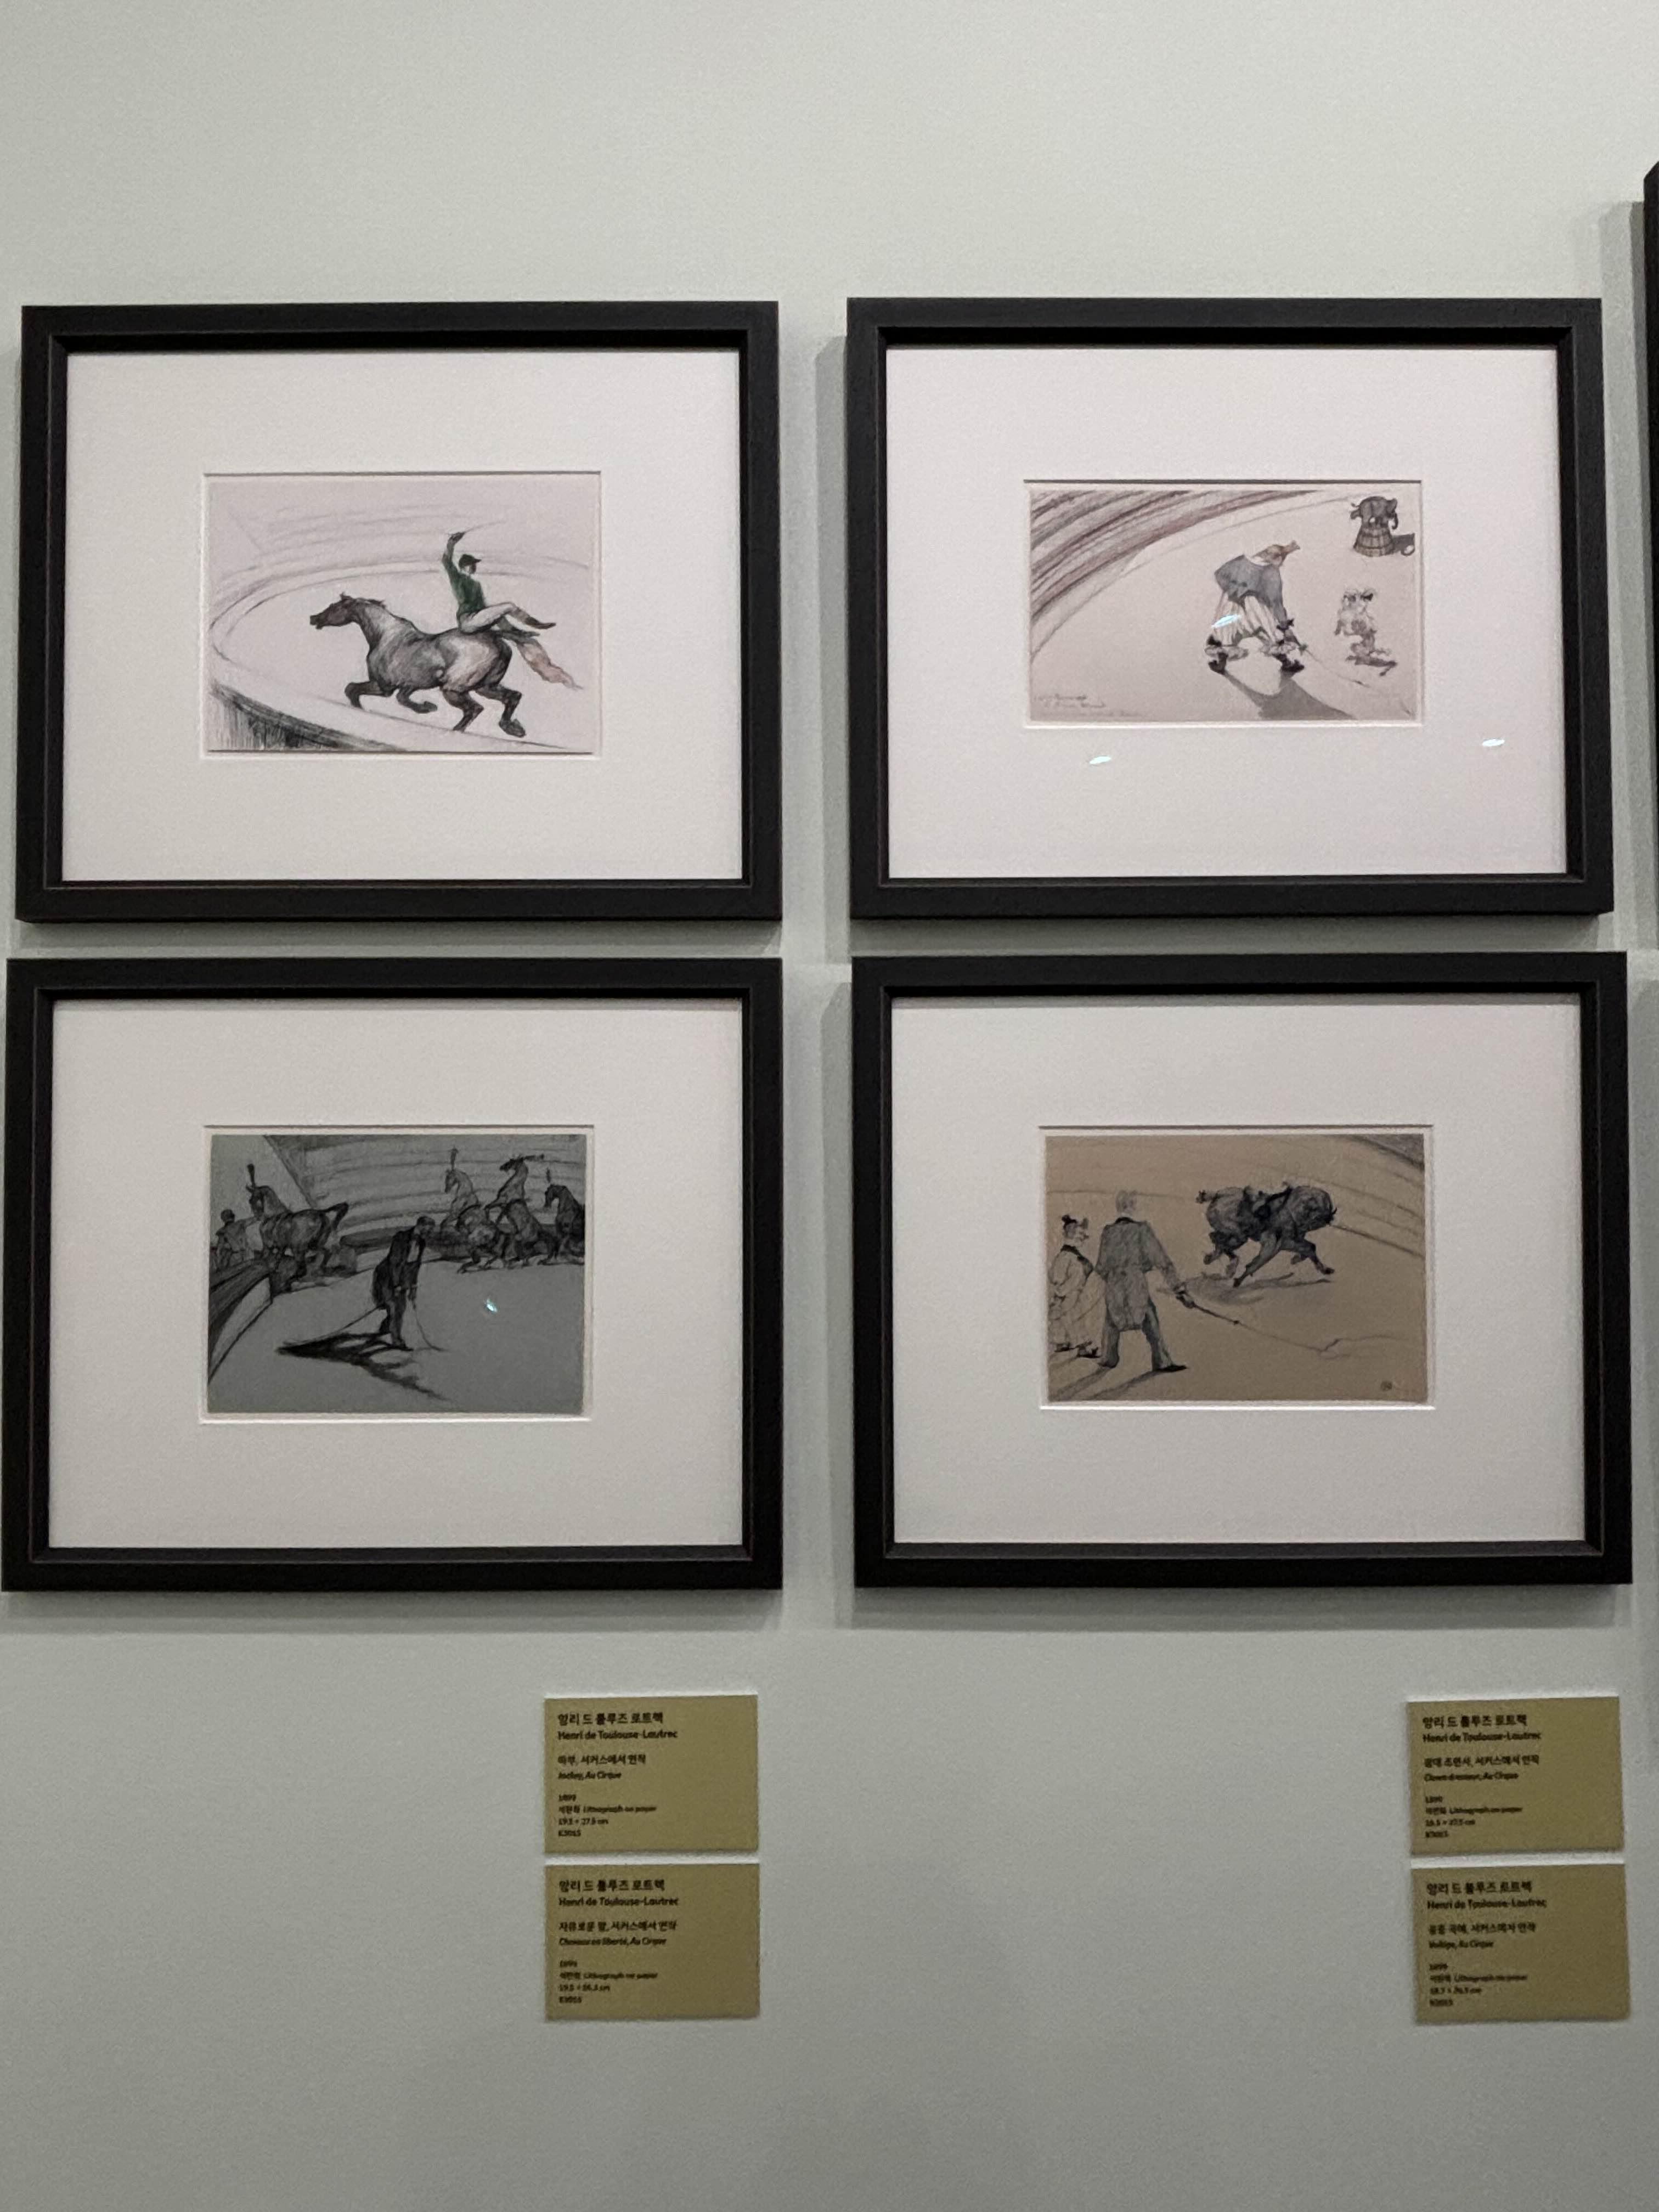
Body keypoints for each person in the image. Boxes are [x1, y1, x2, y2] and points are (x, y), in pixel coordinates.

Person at [441, 531, 568, 682]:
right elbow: (446, 561)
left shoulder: (476, 585)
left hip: (478, 618)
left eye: (474, 565)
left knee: (499, 615)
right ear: (464, 567)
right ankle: (535, 623)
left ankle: (517, 632)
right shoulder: (458, 579)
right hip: (469, 620)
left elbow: (484, 608)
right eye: (471, 565)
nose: (474, 567)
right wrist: (452, 543)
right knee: (509, 606)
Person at [1092, 1193, 1194, 1376]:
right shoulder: (1142, 1230)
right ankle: (1162, 1360)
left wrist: (1115, 1276)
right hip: (1135, 1282)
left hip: (1114, 1284)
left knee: (1112, 1315)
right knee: (1149, 1315)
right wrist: (1179, 1290)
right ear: (1133, 1207)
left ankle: (1109, 1357)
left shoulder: (1108, 1232)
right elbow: (1162, 1261)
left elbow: (1101, 1267)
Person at [1206, 541, 1305, 676]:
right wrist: (1284, 626)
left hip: (1232, 604)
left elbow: (1219, 574)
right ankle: (1286, 663)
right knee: (1269, 634)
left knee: (1226, 633)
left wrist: (1233, 589)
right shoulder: (1271, 573)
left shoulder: (1241, 561)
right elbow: (1276, 602)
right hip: (1255, 608)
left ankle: (1221, 664)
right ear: (1277, 560)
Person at [371, 1216, 433, 1351]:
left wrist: (413, 1287)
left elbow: (416, 1265)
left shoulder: (422, 1242)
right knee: (396, 1308)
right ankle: (397, 1340)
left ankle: (385, 1328)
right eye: (429, 1229)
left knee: (399, 1308)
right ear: (421, 1226)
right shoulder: (401, 1238)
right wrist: (396, 1285)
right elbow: (394, 1263)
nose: (430, 1233)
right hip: (387, 1276)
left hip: (402, 1277)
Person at [1048, 1214, 1098, 1358]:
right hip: (1068, 1295)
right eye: (1080, 1235)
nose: (1083, 1238)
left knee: (1070, 1319)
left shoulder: (1075, 1256)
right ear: (1071, 1234)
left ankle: (1065, 1342)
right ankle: (1080, 1347)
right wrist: (1061, 1292)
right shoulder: (1065, 1257)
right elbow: (1057, 1278)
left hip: (1074, 1294)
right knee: (1073, 1319)